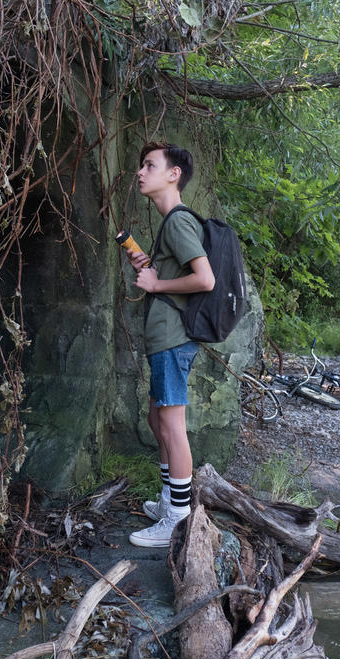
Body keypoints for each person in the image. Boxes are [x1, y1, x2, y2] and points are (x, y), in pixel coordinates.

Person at [123, 141, 215, 547]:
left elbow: (205, 279)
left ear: (173, 174)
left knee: (171, 426)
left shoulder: (178, 221)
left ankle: (178, 519)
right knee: (155, 419)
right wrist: (153, 270)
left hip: (174, 339)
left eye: (149, 165)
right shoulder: (170, 224)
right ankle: (169, 502)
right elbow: (183, 277)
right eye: (141, 165)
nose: (140, 172)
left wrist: (157, 282)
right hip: (166, 338)